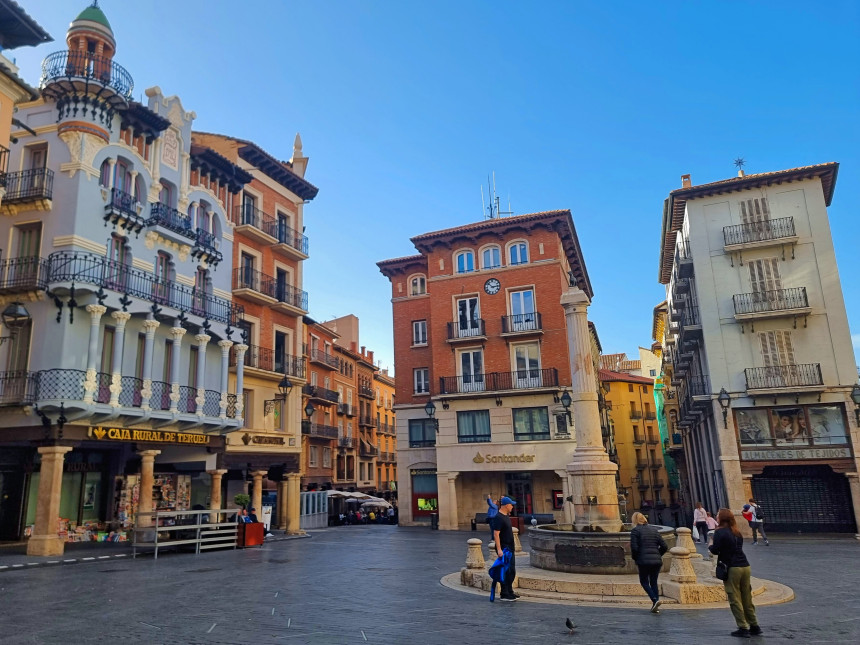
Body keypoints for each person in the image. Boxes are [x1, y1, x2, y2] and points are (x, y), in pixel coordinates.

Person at [709, 508, 761, 638]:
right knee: (746, 597)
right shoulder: (737, 532)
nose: (716, 517)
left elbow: (715, 550)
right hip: (745, 566)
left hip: (732, 567)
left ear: (722, 518)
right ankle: (754, 625)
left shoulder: (720, 532)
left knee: (734, 598)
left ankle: (743, 627)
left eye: (717, 515)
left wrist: (710, 545)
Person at [629, 511, 668, 613]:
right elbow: (664, 546)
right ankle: (656, 605)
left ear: (635, 520)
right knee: (653, 582)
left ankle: (655, 600)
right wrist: (658, 555)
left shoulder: (635, 531)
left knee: (644, 581)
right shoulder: (654, 530)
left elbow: (634, 548)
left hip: (643, 561)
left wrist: (635, 558)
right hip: (656, 561)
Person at [492, 496, 519, 601]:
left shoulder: (506, 516)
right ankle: (504, 593)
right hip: (504, 547)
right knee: (506, 570)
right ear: (507, 505)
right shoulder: (498, 517)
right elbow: (496, 534)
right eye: (511, 504)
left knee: (511, 570)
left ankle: (510, 591)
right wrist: (499, 550)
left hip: (509, 547)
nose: (512, 506)